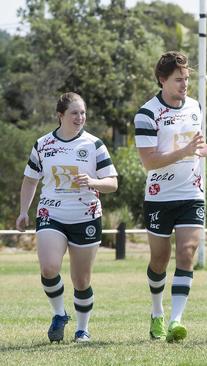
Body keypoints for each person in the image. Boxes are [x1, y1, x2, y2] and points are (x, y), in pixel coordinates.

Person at [134, 51, 207, 342]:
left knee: (187, 252)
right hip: (158, 196)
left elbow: (196, 149)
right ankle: (157, 313)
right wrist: (185, 151)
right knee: (159, 259)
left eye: (187, 79)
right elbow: (149, 161)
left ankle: (176, 321)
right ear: (162, 80)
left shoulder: (195, 106)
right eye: (179, 80)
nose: (185, 85)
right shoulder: (146, 114)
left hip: (192, 192)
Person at [16, 92, 118, 343]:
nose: (80, 117)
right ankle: (59, 314)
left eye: (82, 112)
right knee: (49, 268)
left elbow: (112, 183)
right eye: (74, 113)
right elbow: (30, 180)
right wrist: (23, 211)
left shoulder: (94, 145)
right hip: (51, 213)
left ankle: (82, 329)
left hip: (86, 216)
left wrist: (93, 181)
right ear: (60, 116)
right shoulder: (43, 145)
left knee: (81, 280)